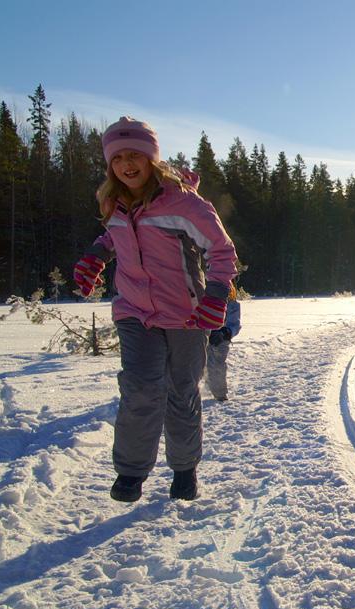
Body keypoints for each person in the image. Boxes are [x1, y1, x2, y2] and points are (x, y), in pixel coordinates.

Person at [73, 116, 237, 503]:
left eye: (135, 155)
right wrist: (97, 255)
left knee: (181, 392)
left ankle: (184, 469)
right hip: (134, 311)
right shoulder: (113, 201)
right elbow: (115, 233)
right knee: (141, 388)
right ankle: (130, 473)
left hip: (186, 312)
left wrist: (215, 296)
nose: (127, 164)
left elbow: (221, 250)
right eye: (118, 158)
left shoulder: (183, 202)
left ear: (151, 159)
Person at [205, 281, 241, 401]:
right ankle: (204, 387)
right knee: (202, 362)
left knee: (217, 364)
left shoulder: (233, 304)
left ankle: (219, 393)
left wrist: (226, 332)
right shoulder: (205, 299)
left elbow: (235, 324)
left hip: (221, 338)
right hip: (204, 335)